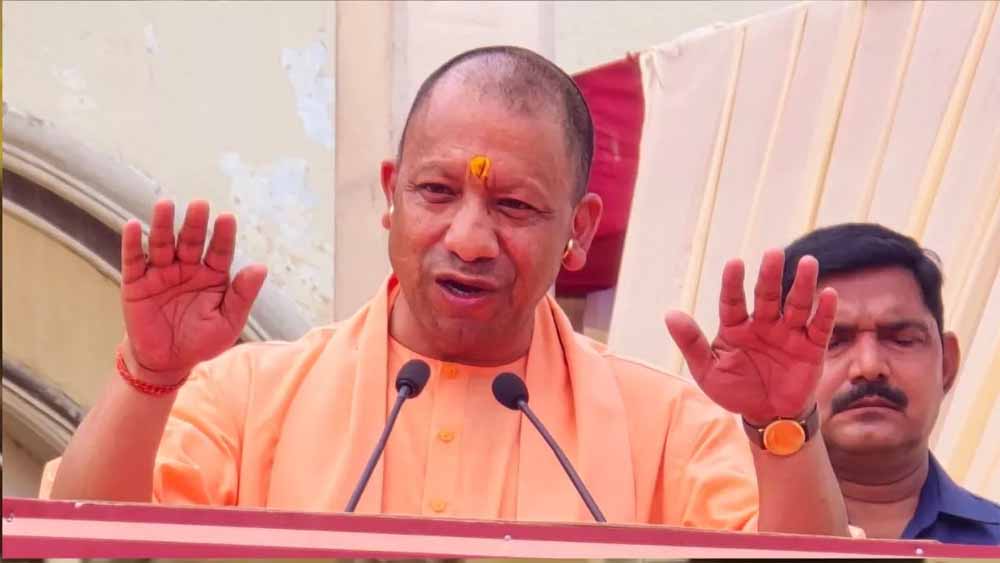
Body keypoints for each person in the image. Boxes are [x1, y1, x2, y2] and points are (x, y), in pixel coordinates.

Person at [45, 46, 848, 535]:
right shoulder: (247, 400)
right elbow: (85, 546)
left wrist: (783, 426)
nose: (468, 238)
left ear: (579, 228)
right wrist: (151, 374)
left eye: (514, 206)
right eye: (436, 191)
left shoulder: (665, 428)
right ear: (390, 195)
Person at [781, 223, 1000, 545]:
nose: (869, 367)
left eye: (902, 340)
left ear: (947, 365)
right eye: (831, 342)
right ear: (776, 369)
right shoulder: (720, 538)